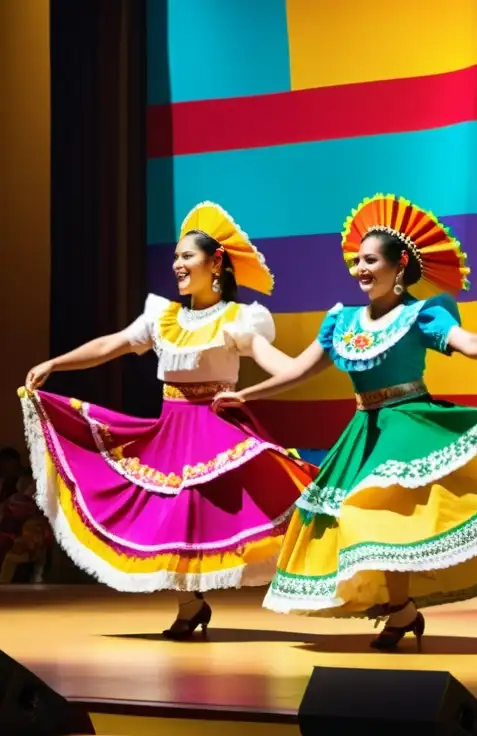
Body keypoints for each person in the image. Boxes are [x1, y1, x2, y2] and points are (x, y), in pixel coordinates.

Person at [213, 193, 477, 651]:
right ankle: (401, 611)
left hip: (410, 425)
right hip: (364, 431)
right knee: (357, 517)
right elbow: (297, 370)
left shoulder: (420, 313)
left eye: (369, 260)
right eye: (356, 261)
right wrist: (244, 394)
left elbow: (468, 343)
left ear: (399, 264)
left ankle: (401, 610)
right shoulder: (342, 320)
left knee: (376, 510)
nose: (359, 270)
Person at [20, 201, 317, 638]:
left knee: (223, 514)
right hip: (172, 430)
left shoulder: (239, 319)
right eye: (175, 257)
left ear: (215, 262)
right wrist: (56, 363)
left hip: (218, 430)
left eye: (187, 256)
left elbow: (280, 365)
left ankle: (368, 591)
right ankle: (189, 604)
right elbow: (112, 345)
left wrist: (314, 365)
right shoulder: (162, 315)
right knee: (168, 518)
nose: (177, 264)